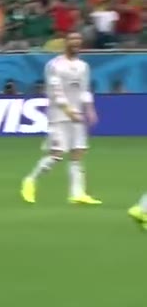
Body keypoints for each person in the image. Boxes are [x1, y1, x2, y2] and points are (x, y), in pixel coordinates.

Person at [21, 32, 100, 205]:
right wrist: (67, 110)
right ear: (66, 42)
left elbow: (85, 90)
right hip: (59, 115)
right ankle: (30, 180)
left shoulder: (83, 66)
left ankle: (77, 193)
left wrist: (90, 109)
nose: (76, 42)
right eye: (73, 39)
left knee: (78, 152)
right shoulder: (55, 65)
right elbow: (55, 91)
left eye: (79, 40)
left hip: (77, 115)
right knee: (56, 154)